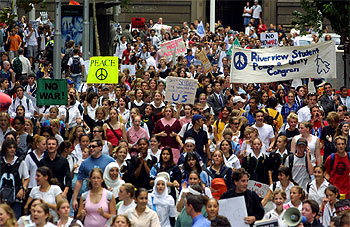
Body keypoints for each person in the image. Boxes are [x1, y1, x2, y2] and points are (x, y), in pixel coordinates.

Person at [72, 139, 115, 211]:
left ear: (100, 147)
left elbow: (117, 177)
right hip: (90, 194)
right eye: (90, 146)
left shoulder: (110, 161)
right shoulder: (84, 163)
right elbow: (79, 181)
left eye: (94, 146)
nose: (91, 148)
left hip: (106, 195)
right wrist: (74, 199)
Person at [0, 138, 29, 219]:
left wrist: (23, 189)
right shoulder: (1, 161)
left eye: (14, 147)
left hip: (16, 196)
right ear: (5, 149)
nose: (12, 149)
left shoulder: (21, 162)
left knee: (14, 220)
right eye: (10, 147)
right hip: (1, 197)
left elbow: (26, 178)